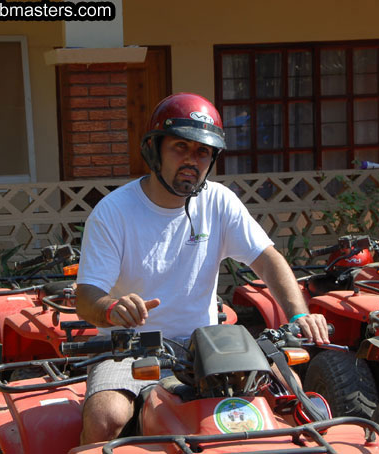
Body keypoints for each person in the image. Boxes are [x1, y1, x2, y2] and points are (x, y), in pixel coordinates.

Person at [75, 92, 329, 444]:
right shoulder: (114, 212)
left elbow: (268, 260)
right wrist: (114, 309)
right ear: (154, 150)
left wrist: (300, 317)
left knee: (290, 391)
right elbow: (86, 296)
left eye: (202, 152)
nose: (192, 160)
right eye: (181, 147)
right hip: (132, 346)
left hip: (208, 345)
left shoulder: (219, 201)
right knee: (107, 418)